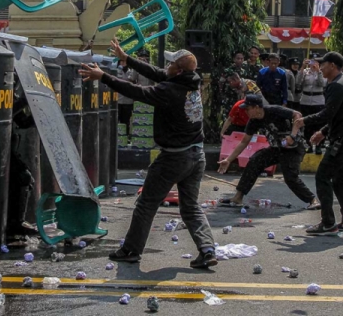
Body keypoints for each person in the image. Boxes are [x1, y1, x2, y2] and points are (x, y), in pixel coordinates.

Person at [78, 39, 218, 268]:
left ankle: (131, 250)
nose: (167, 66)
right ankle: (207, 249)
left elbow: (136, 91)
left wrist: (103, 76)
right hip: (197, 155)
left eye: (171, 63)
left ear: (178, 70)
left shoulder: (169, 90)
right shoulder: (192, 81)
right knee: (190, 206)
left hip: (174, 158)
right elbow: (157, 72)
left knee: (147, 203)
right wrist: (127, 59)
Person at [294, 52, 343, 236]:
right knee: (340, 179)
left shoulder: (337, 86)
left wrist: (304, 121)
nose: (320, 68)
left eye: (322, 65)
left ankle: (328, 223)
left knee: (322, 176)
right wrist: (322, 132)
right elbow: (339, 115)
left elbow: (327, 113)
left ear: (332, 65)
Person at [216, 94, 320, 209]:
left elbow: (297, 114)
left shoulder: (274, 110)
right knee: (255, 161)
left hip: (293, 148)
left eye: (248, 109)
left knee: (290, 178)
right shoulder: (253, 121)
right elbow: (244, 142)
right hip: (276, 148)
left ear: (256, 107)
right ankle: (238, 198)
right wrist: (228, 160)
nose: (246, 112)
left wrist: (293, 135)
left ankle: (313, 200)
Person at [296, 58, 327, 154]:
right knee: (307, 123)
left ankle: (318, 145)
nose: (312, 64)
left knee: (319, 123)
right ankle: (308, 145)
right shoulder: (305, 71)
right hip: (306, 100)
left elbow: (322, 83)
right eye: (311, 62)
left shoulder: (322, 72)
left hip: (318, 100)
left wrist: (318, 71)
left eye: (315, 62)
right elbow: (298, 83)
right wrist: (302, 68)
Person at [117, 62, 139, 139]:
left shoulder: (131, 72)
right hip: (118, 100)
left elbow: (134, 82)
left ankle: (125, 138)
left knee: (126, 120)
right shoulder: (116, 71)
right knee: (116, 119)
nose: (123, 63)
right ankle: (116, 137)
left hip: (128, 100)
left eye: (124, 62)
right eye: (121, 62)